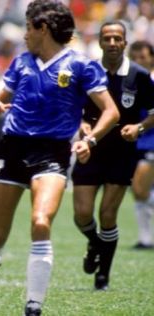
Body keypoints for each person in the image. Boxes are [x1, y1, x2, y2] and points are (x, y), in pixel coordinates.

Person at [0, 1, 120, 315]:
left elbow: (111, 111)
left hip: (52, 152)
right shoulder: (21, 62)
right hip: (12, 148)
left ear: (44, 29)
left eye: (28, 27)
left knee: (40, 221)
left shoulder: (81, 65)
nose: (24, 34)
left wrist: (89, 139)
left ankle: (33, 305)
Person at [72, 21, 154, 292]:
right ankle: (95, 243)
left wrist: (139, 127)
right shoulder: (88, 71)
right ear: (99, 41)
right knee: (82, 214)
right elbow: (74, 108)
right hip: (90, 148)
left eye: (117, 38)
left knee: (108, 215)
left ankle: (102, 276)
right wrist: (82, 125)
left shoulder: (139, 75)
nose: (112, 43)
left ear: (125, 43)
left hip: (121, 152)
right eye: (107, 38)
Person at [128, 40, 154, 249]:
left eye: (142, 57)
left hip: (151, 142)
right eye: (134, 58)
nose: (138, 61)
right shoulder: (130, 81)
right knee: (139, 191)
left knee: (140, 187)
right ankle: (146, 239)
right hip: (135, 143)